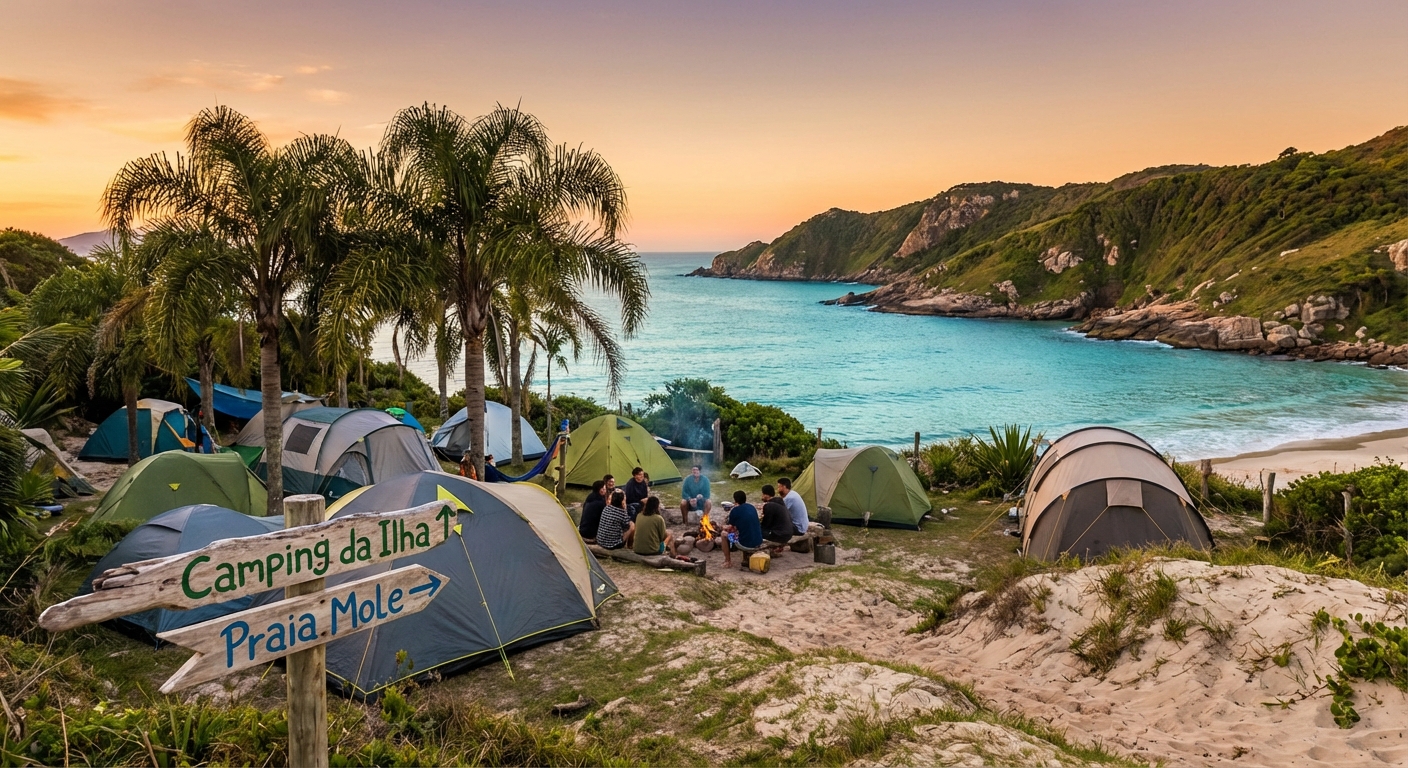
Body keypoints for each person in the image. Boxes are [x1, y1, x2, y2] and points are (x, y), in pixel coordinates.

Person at [723, 490, 763, 568]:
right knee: (744, 530)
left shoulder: (735, 511)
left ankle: (728, 561)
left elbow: (731, 528)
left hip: (745, 544)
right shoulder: (751, 507)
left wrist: (723, 527)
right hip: (758, 541)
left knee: (723, 534)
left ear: (735, 500)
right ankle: (745, 558)